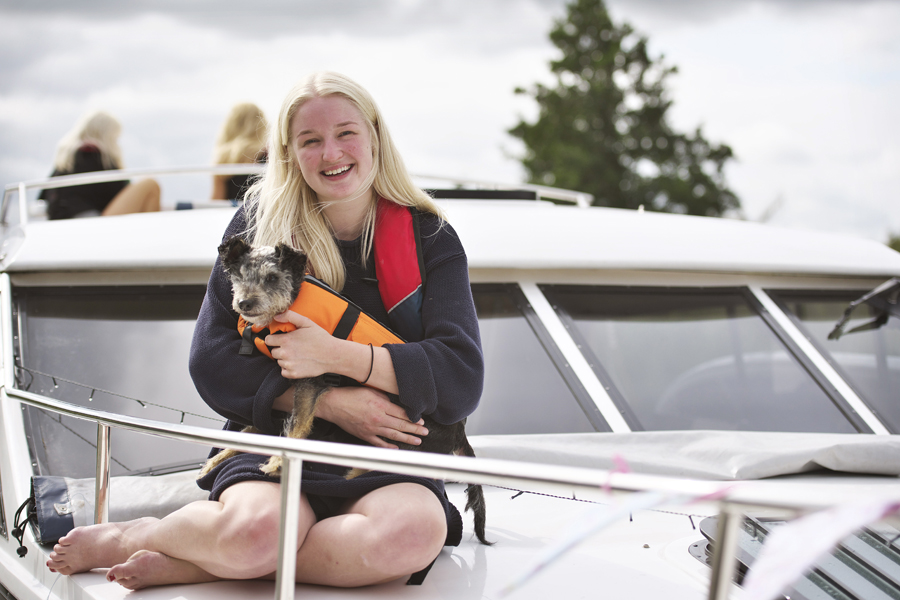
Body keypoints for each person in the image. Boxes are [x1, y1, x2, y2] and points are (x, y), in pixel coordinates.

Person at [46, 72, 485, 590]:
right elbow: (211, 363)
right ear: (288, 151)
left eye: (346, 133)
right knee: (253, 533)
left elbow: (460, 380)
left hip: (385, 452)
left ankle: (190, 557)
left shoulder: (430, 237)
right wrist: (326, 403)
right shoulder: (257, 229)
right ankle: (161, 538)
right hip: (277, 440)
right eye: (310, 140)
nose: (331, 153)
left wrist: (337, 356)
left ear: (374, 136)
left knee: (410, 537)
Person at [39, 111, 160, 219]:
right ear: (107, 136)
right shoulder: (100, 158)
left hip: (60, 224)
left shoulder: (65, 161)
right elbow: (120, 192)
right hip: (93, 223)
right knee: (150, 184)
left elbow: (43, 197)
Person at [211, 102, 268, 201]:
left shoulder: (224, 158)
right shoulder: (269, 155)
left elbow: (217, 200)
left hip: (232, 214)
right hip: (261, 213)